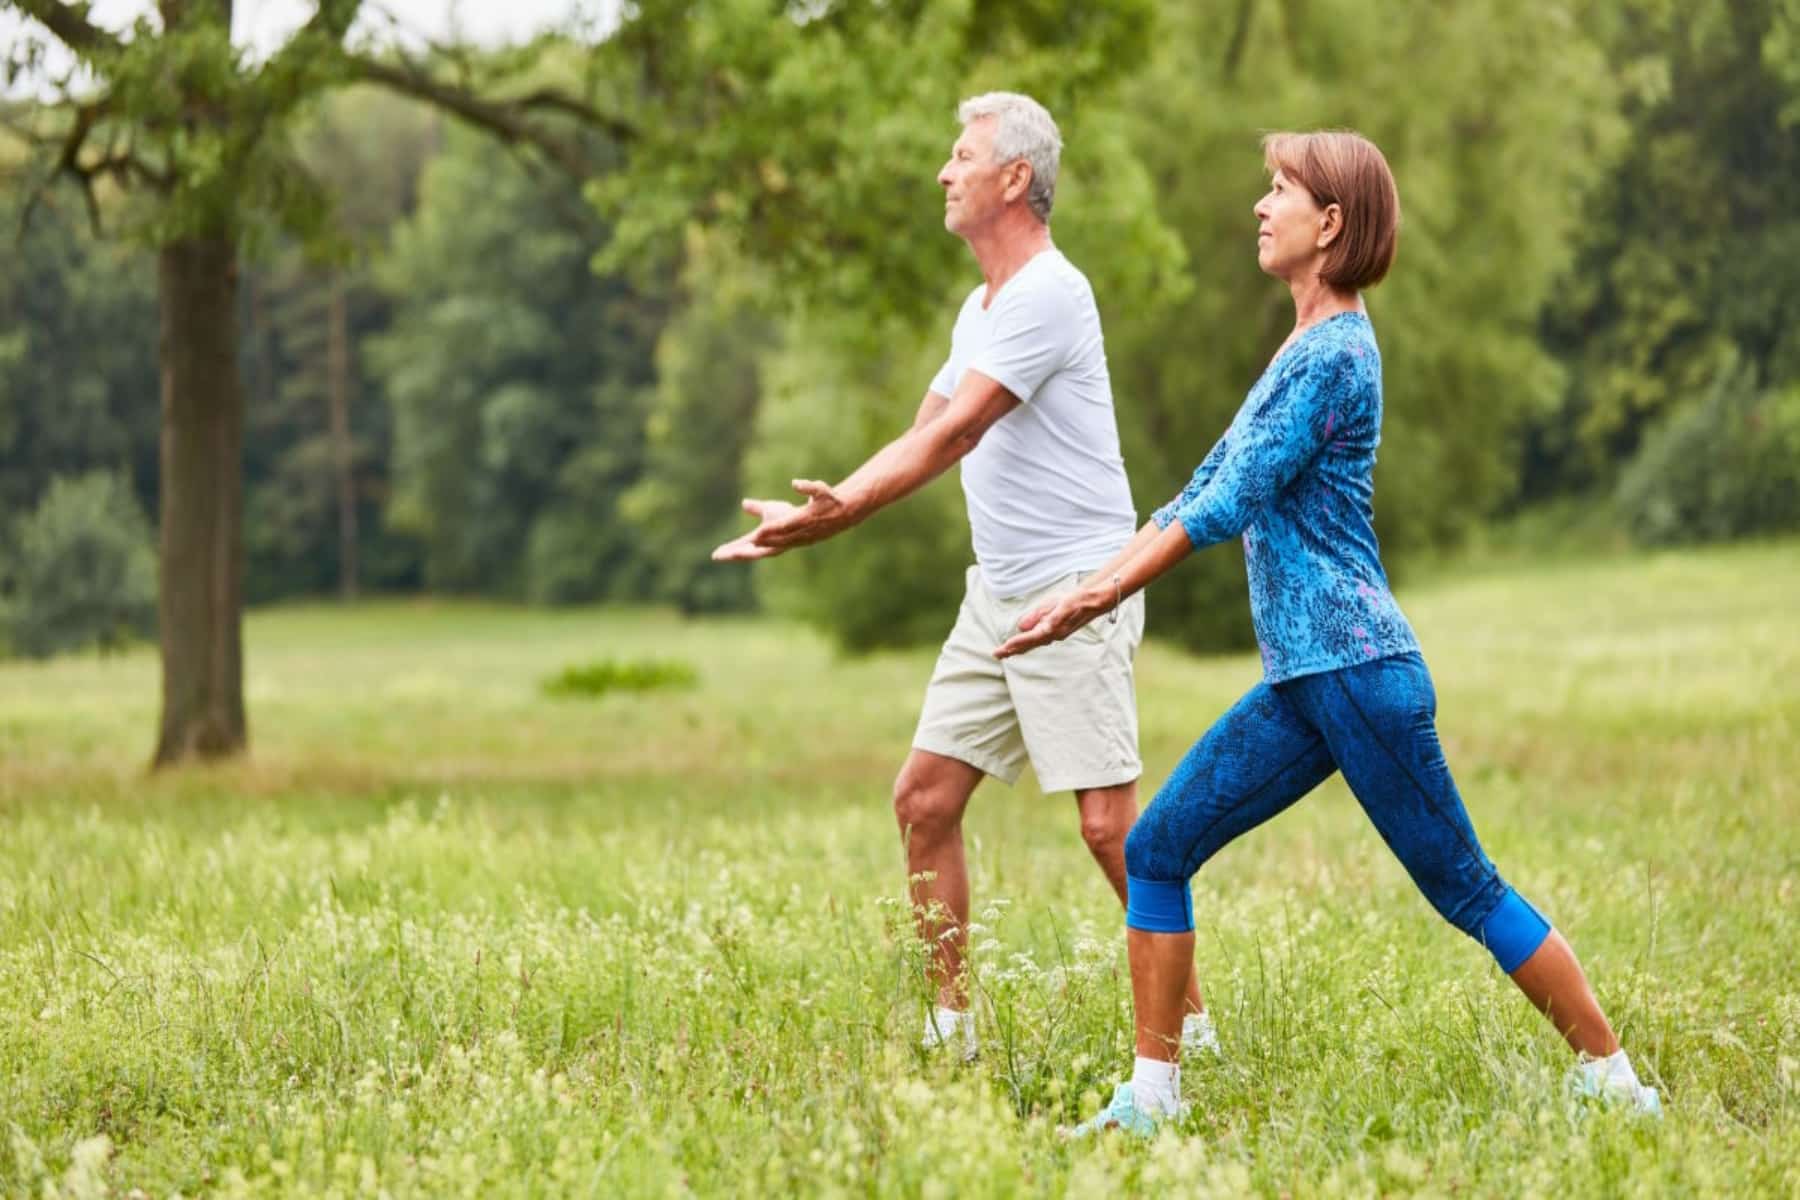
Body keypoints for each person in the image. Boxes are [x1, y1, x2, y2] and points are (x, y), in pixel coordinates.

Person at [995, 130, 1661, 1131]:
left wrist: (1093, 599)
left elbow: (1225, 508)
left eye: (1281, 191)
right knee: (1162, 845)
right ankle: (1153, 1097)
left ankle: (1616, 1083)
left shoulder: (1338, 353)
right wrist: (1096, 577)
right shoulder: (1304, 346)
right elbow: (1207, 481)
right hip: (1310, 680)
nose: (1261, 207)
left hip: (1355, 669)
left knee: (1466, 887)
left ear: (1332, 224)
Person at [714, 92, 1211, 1060]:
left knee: (1110, 830)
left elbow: (958, 432)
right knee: (924, 801)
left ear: (1014, 178)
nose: (944, 172)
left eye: (961, 155)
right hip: (999, 590)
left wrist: (843, 511)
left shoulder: (1050, 294)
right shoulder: (978, 306)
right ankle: (952, 1032)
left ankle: (1194, 1025)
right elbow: (923, 425)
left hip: (1078, 589)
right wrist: (823, 508)